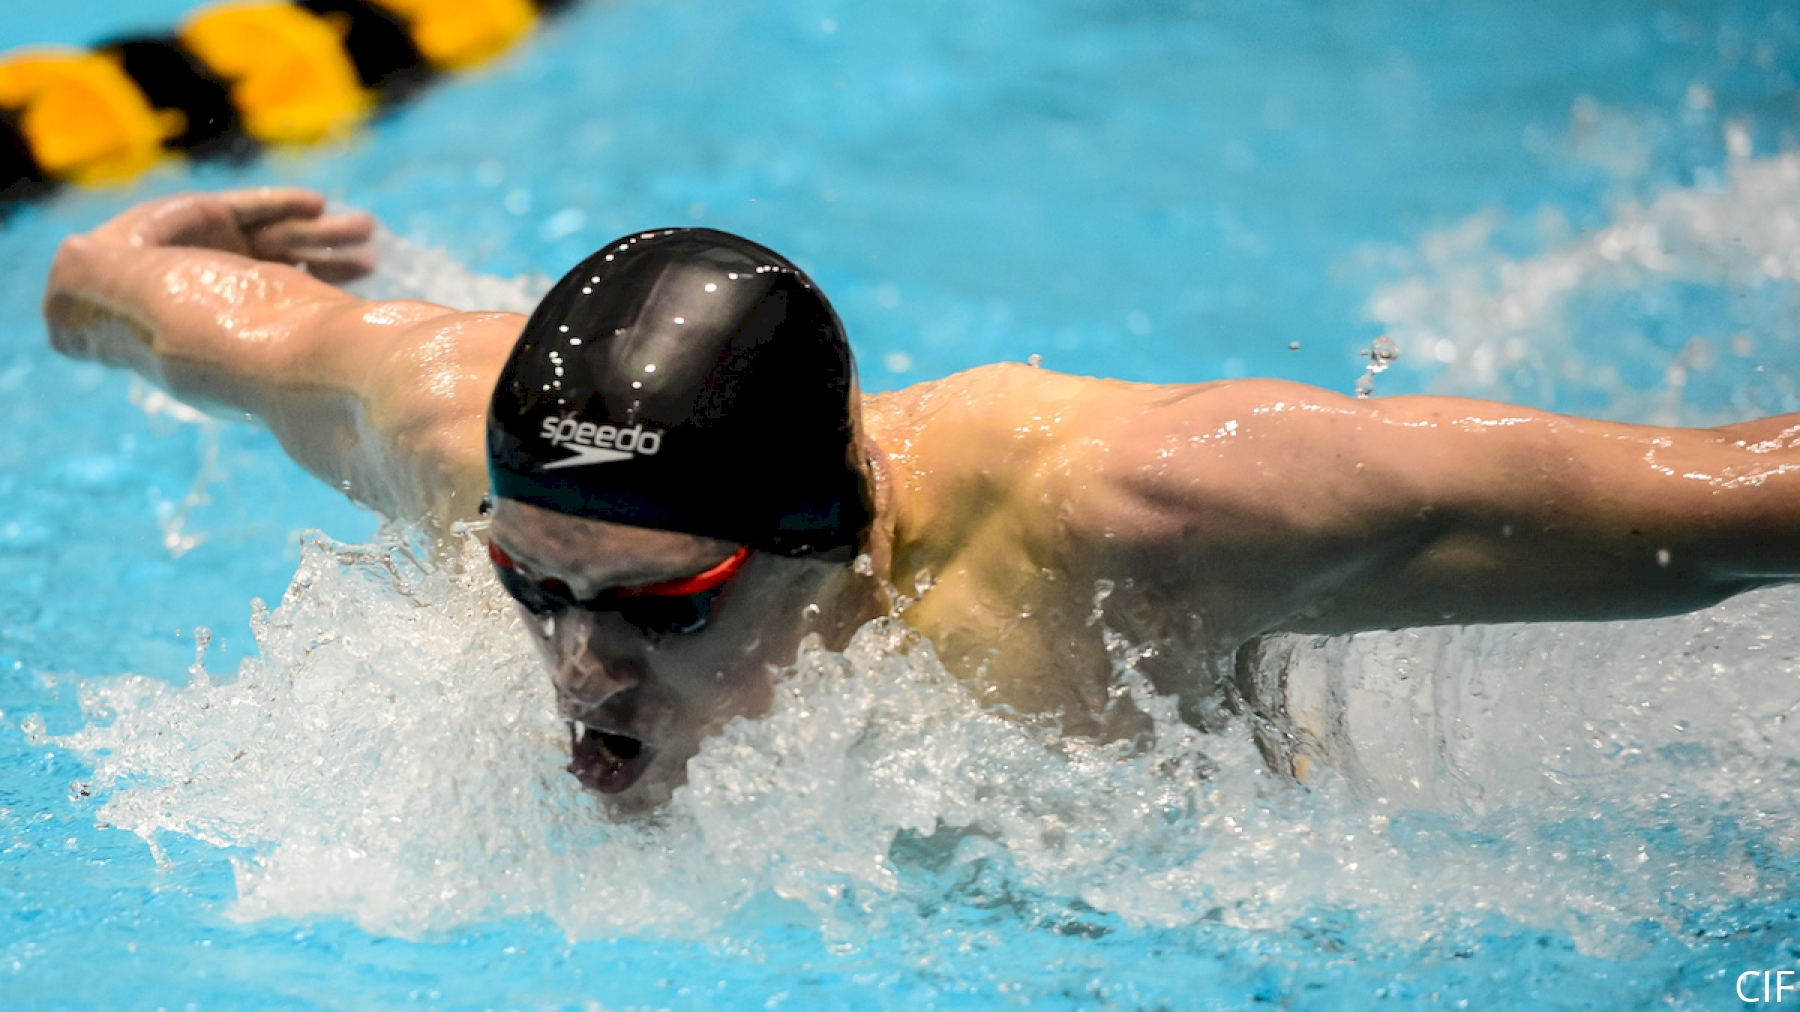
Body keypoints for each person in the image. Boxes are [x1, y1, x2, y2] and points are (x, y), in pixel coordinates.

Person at [42, 187, 1800, 813]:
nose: (575, 672)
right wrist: (107, 267)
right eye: (533, 589)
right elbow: (138, 299)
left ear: (835, 535)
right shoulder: (457, 441)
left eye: (666, 603)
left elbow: (1735, 496)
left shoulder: (1136, 524)